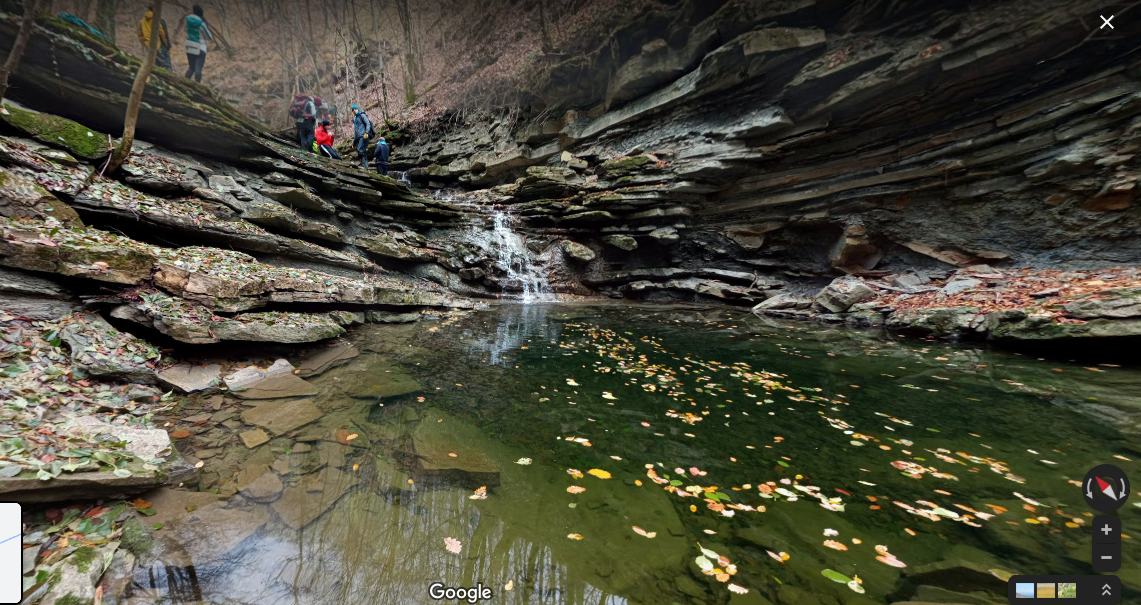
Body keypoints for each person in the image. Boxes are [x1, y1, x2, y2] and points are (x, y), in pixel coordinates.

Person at [183, 5, 212, 83]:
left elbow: (185, 30)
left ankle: (184, 83)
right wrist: (205, 23)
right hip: (200, 47)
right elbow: (209, 37)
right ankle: (198, 87)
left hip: (189, 46)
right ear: (201, 14)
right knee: (198, 70)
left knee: (191, 68)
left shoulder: (187, 20)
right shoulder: (201, 23)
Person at [351, 104, 373, 171]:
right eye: (352, 110)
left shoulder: (362, 115)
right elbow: (356, 132)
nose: (354, 110)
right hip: (359, 137)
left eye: (355, 109)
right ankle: (366, 167)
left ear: (357, 109)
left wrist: (366, 132)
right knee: (363, 151)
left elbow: (367, 124)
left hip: (363, 136)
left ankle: (363, 166)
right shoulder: (355, 119)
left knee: (360, 150)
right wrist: (354, 142)